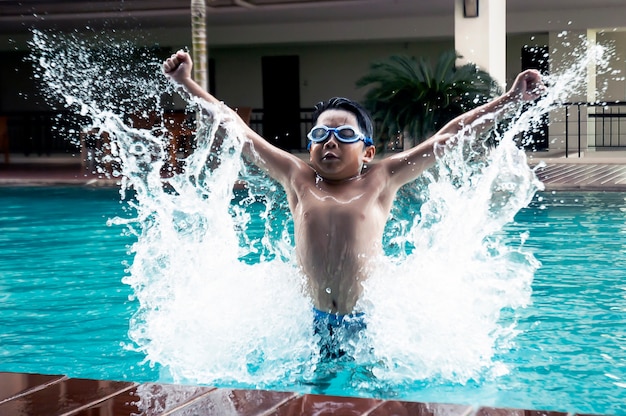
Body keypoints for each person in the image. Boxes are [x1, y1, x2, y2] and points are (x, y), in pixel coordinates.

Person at [163, 50, 545, 357]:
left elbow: (447, 137)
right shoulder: (297, 178)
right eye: (320, 134)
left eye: (344, 134)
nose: (330, 141)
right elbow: (237, 129)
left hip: (370, 323)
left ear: (367, 152)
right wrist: (187, 84)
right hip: (310, 322)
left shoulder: (381, 178)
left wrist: (511, 100)